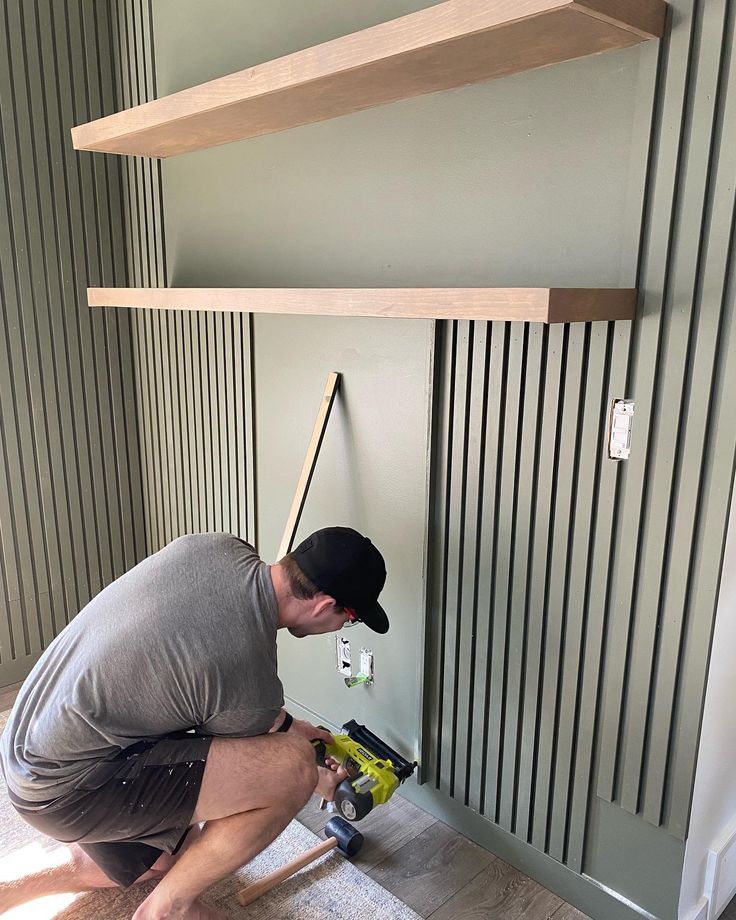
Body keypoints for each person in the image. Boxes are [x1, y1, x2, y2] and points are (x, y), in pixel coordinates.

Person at [0, 525, 389, 919]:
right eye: (351, 617)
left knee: (164, 861)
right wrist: (313, 773)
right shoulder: (247, 675)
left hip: (27, 744)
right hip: (66, 789)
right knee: (292, 769)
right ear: (324, 605)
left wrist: (290, 726)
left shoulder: (220, 547)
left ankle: (10, 891)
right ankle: (169, 910)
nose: (343, 626)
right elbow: (252, 754)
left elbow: (219, 694)